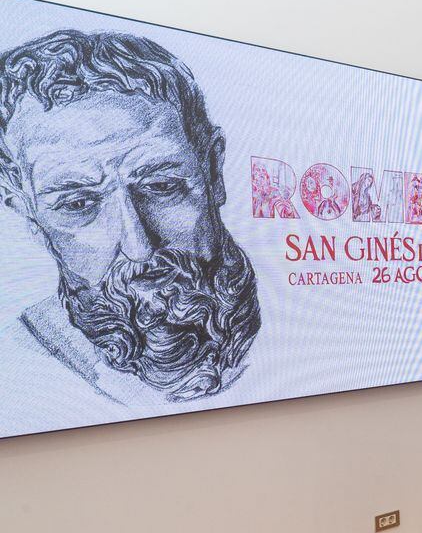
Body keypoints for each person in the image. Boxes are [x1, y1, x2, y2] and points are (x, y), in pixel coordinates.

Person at [0, 30, 261, 416]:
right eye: (78, 203)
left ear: (212, 171)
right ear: (30, 216)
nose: (138, 246)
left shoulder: (313, 328)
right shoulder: (20, 377)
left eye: (161, 185)